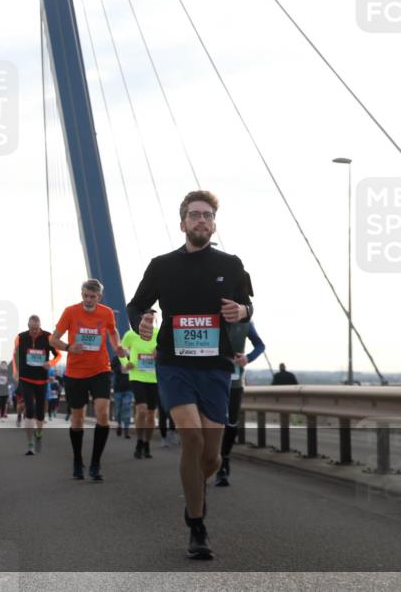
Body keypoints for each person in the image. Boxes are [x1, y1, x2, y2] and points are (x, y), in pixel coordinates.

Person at [127, 190, 254, 560]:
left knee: (211, 457)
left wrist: (241, 312)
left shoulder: (231, 265)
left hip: (215, 367)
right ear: (182, 223)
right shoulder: (161, 265)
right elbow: (136, 305)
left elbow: (249, 305)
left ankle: (195, 496)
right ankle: (197, 526)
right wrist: (144, 321)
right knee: (191, 435)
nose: (201, 220)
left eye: (207, 215)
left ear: (213, 224)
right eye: (195, 215)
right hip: (174, 364)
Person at [52, 279, 127, 482]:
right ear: (82, 293)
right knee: (77, 419)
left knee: (103, 414)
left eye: (92, 296)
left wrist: (118, 346)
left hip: (100, 370)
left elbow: (112, 332)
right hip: (75, 373)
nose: (88, 299)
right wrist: (68, 347)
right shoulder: (70, 312)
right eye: (85, 295)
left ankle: (95, 463)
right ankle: (78, 460)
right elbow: (53, 339)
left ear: (99, 297)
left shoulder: (106, 312)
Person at [216, 322, 265, 486]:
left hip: (235, 382)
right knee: (213, 423)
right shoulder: (211, 316)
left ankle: (224, 462)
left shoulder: (245, 323)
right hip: (211, 380)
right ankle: (211, 460)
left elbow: (260, 345)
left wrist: (247, 358)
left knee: (231, 423)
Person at [14, 315, 60, 454]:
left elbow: (58, 354)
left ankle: (38, 434)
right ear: (28, 326)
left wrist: (50, 363)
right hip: (26, 378)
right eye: (31, 328)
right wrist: (16, 372)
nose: (34, 331)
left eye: (36, 328)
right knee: (29, 409)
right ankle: (30, 444)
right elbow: (15, 355)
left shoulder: (48, 337)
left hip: (41, 380)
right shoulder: (20, 337)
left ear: (40, 326)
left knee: (40, 413)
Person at [121, 326, 159, 459]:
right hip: (137, 377)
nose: (148, 322)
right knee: (142, 410)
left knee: (151, 414)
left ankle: (146, 443)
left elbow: (169, 350)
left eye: (150, 319)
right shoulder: (130, 334)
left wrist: (160, 351)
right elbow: (120, 351)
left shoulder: (159, 333)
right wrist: (126, 363)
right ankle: (139, 441)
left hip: (154, 379)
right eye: (145, 319)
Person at [112, 355, 133, 438]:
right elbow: (112, 368)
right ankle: (119, 425)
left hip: (129, 388)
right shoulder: (116, 357)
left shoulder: (133, 356)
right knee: (118, 409)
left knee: (127, 407)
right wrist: (121, 368)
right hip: (118, 388)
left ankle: (126, 430)